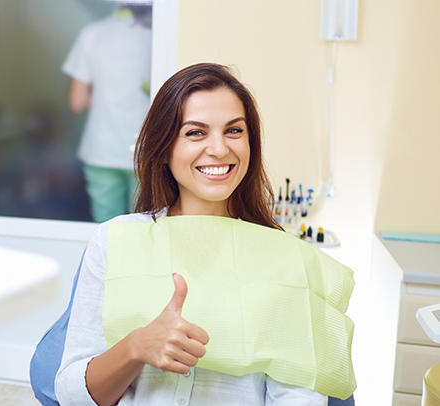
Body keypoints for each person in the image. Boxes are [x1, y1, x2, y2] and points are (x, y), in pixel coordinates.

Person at [53, 63, 333, 405]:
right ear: (164, 148)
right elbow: (69, 394)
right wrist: (136, 346)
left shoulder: (284, 258)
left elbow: (299, 396)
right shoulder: (114, 241)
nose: (218, 149)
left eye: (234, 131)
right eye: (195, 132)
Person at [62, 4, 151, 222]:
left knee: (104, 231)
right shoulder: (157, 36)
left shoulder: (92, 33)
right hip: (145, 148)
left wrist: (104, 97)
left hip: (101, 149)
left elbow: (77, 101)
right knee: (140, 228)